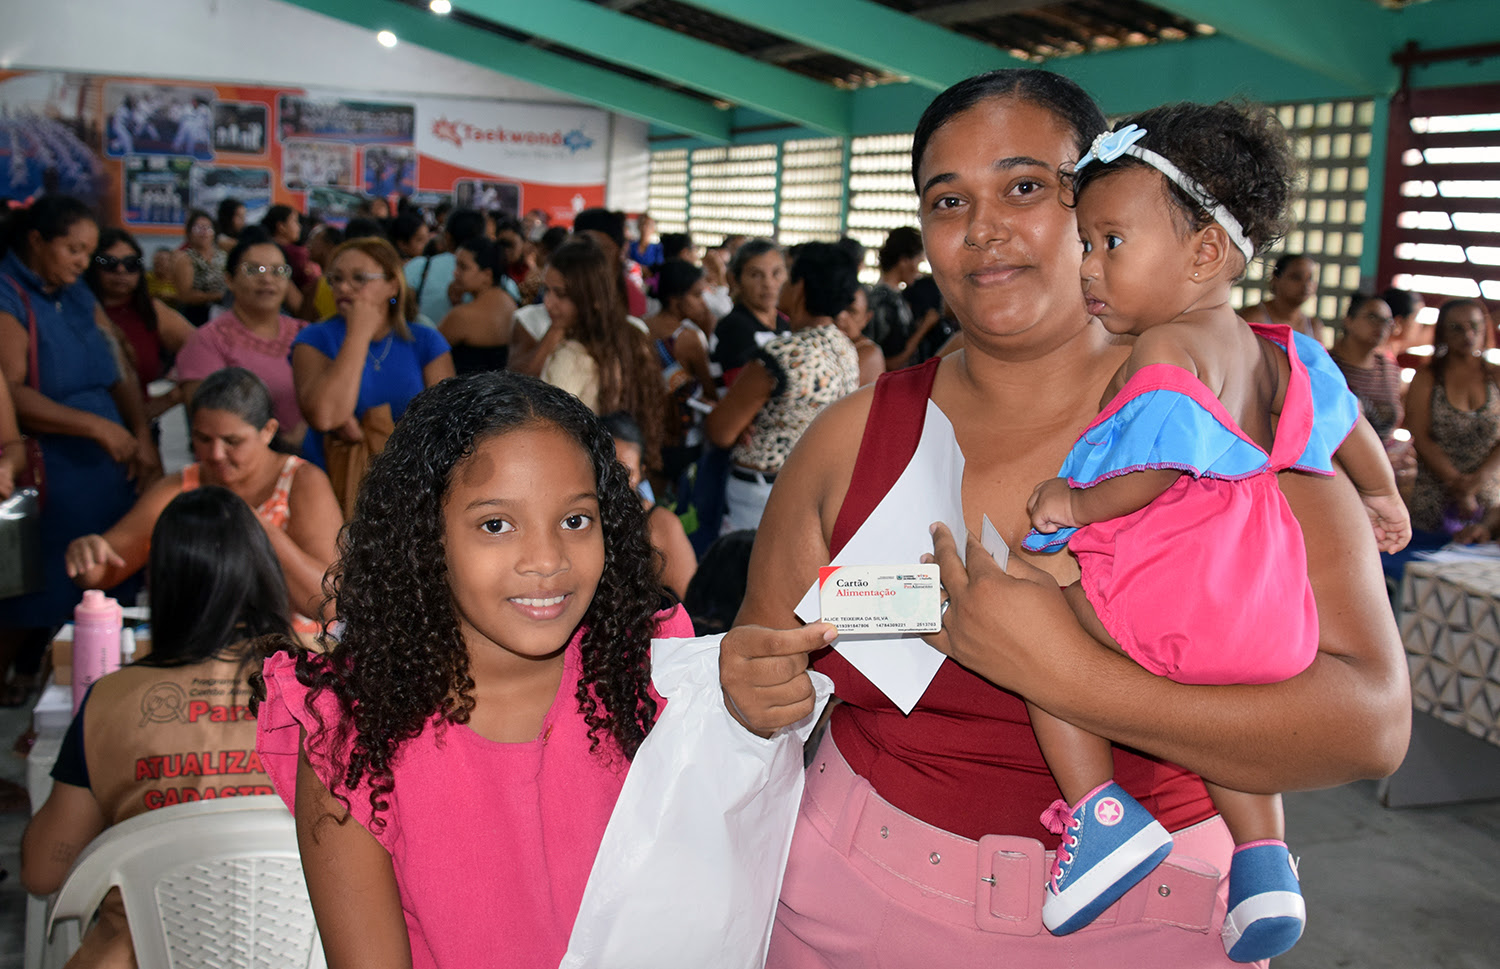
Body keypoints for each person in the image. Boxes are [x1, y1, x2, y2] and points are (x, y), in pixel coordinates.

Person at [718, 69, 1410, 968]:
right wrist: (751, 683)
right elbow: (768, 647)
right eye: (947, 200)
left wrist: (1069, 675)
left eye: (1026, 187)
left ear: (1100, 209)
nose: (983, 229)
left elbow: (1371, 723)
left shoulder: (1231, 419)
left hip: (1157, 923)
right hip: (853, 902)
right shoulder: (850, 438)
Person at [1014, 104, 1407, 959]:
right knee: (1226, 714)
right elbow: (1347, 427)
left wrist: (1070, 507)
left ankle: (1101, 815)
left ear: (1203, 254)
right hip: (1263, 611)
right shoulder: (1280, 350)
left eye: (1110, 242)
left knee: (1032, 619)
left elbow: (1152, 467)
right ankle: (1263, 860)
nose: (1088, 266)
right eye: (1085, 243)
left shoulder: (1164, 351)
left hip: (1168, 599)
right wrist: (1382, 498)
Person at [253, 372, 694, 969]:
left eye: (575, 520)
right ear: (425, 537)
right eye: (495, 525)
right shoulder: (352, 731)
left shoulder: (649, 666)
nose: (546, 561)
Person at [23, 486, 293, 968]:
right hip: (308, 946)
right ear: (264, 570)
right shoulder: (335, 683)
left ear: (163, 583)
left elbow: (43, 871)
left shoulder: (111, 701)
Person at [0, 196, 160, 699]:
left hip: (108, 468)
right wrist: (97, 428)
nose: (81, 262)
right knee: (35, 592)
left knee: (110, 582)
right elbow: (13, 391)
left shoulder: (77, 295)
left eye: (87, 251)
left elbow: (118, 369)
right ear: (36, 241)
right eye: (72, 248)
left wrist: (138, 434)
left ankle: (93, 691)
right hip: (53, 467)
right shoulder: (9, 295)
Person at [65, 366, 340, 632]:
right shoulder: (181, 487)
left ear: (268, 431)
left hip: (290, 652)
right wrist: (87, 552)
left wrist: (254, 526)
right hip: (201, 652)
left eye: (232, 441)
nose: (216, 453)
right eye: (203, 439)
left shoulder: (302, 482)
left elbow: (328, 605)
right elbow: (102, 570)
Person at [705, 241, 860, 532]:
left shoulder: (781, 355)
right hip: (815, 486)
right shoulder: (845, 348)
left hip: (762, 493)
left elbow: (721, 431)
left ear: (799, 288)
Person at [292, 236, 454, 471]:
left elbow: (445, 425)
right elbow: (325, 416)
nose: (343, 288)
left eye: (359, 278)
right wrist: (358, 334)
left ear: (392, 285)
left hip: (408, 478)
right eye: (336, 279)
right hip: (334, 478)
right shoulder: (314, 338)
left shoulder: (425, 341)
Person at [538, 237, 669, 470]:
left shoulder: (571, 355)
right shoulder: (633, 334)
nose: (548, 302)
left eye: (561, 294)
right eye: (546, 290)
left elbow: (550, 432)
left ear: (592, 297)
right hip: (630, 469)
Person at [175, 232, 308, 439]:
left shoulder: (306, 334)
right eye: (254, 270)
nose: (267, 279)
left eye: (278, 271)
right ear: (229, 279)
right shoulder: (208, 341)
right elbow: (209, 424)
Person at [1405, 298, 1500, 539]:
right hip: (1435, 496)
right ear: (1443, 333)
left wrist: (1475, 484)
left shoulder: (1496, 375)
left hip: (1489, 499)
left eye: (1474, 326)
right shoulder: (1427, 377)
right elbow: (1421, 436)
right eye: (1456, 327)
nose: (1467, 334)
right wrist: (1458, 485)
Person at [85, 228, 194, 419]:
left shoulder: (153, 312)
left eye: (131, 264)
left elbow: (206, 349)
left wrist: (171, 397)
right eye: (109, 263)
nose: (121, 270)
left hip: (139, 427)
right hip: (79, 426)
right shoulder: (74, 309)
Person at [604, 410, 697, 600]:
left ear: (642, 473)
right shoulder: (579, 517)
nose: (616, 481)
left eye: (626, 473)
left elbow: (686, 604)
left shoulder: (661, 525)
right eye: (607, 469)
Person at [644, 259, 720, 485]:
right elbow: (711, 391)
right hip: (683, 438)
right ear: (675, 301)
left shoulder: (639, 327)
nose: (702, 303)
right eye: (696, 295)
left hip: (647, 432)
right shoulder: (688, 338)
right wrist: (707, 331)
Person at [1330, 292, 1416, 489]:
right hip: (1339, 471)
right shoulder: (1327, 366)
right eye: (1372, 317)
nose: (1381, 326)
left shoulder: (1390, 370)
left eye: (1387, 321)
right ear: (1349, 321)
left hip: (1386, 468)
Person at [710, 238, 787, 383]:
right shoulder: (733, 328)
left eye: (776, 273)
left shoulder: (785, 323)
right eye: (755, 275)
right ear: (734, 279)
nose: (768, 283)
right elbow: (744, 392)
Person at [439, 236, 517, 374]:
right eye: (456, 265)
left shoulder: (463, 316)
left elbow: (427, 354)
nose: (455, 272)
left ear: (487, 274)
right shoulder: (510, 303)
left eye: (463, 267)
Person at [866, 226, 935, 370]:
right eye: (918, 263)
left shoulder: (895, 297)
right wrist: (924, 328)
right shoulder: (884, 302)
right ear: (903, 261)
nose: (918, 271)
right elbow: (891, 363)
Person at [405, 207, 485, 326]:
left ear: (447, 237)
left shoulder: (419, 267)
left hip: (421, 340)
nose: (455, 273)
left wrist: (403, 304)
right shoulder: (493, 276)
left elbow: (392, 300)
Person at [1242, 253, 1325, 345]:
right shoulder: (1254, 318)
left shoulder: (1314, 326)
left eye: (1310, 278)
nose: (1306, 285)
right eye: (1297, 277)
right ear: (1276, 280)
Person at [170, 209, 227, 326]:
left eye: (208, 228)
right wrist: (217, 296)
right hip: (195, 316)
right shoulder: (185, 258)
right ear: (189, 233)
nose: (204, 232)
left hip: (223, 313)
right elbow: (185, 295)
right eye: (198, 228)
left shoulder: (222, 255)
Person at [835, 284, 885, 385]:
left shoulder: (868, 353)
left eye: (851, 311)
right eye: (837, 307)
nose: (841, 316)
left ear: (866, 318)